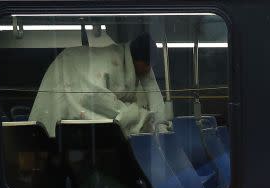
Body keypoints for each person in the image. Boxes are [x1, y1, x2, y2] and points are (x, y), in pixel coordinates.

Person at [29, 33, 170, 137]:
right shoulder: (111, 62)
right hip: (67, 74)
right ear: (138, 59)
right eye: (147, 65)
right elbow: (96, 98)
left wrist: (161, 123)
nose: (147, 70)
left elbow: (151, 86)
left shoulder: (136, 62)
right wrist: (140, 117)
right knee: (55, 135)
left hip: (77, 79)